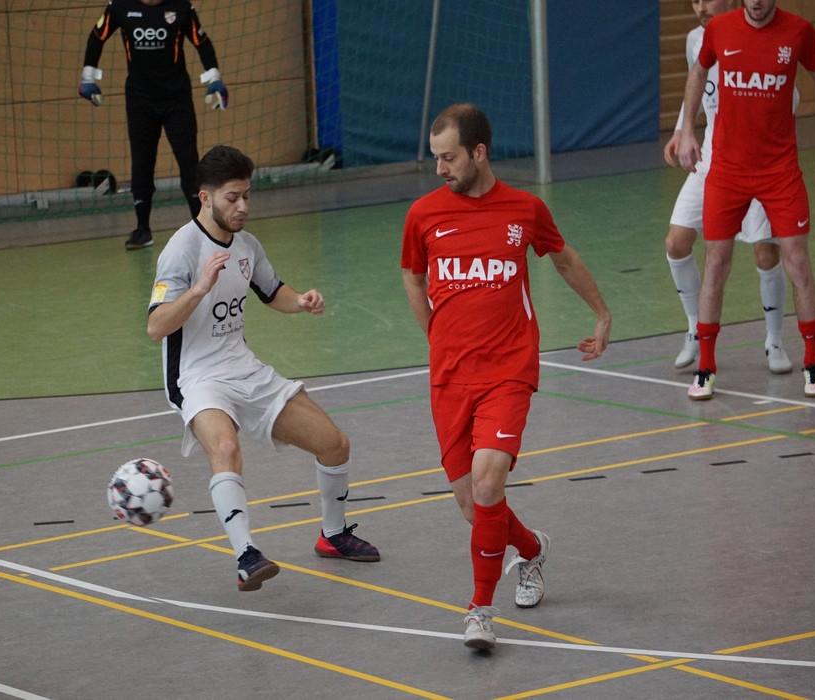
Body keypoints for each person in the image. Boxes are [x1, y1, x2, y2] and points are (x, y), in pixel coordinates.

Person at [401, 104, 611, 651]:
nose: (440, 169)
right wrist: (435, 335)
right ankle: (532, 549)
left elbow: (563, 258)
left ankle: (479, 610)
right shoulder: (423, 214)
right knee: (473, 505)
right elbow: (412, 275)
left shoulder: (524, 209)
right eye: (435, 158)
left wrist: (601, 314)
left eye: (449, 158)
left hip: (509, 369)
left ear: (479, 153)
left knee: (489, 483)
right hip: (449, 375)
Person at [146, 145, 379, 592]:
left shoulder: (247, 246)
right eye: (232, 198)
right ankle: (246, 555)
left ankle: (333, 535)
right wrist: (198, 289)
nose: (243, 207)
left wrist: (301, 301)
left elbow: (272, 292)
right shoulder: (181, 251)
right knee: (226, 449)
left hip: (243, 369)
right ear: (205, 198)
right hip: (196, 377)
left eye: (247, 196)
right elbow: (157, 327)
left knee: (335, 444)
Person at [677, 0, 815, 400]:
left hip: (780, 170)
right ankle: (705, 367)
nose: (757, 2)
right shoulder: (719, 29)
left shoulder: (799, 31)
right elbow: (698, 72)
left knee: (796, 260)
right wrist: (687, 130)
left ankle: (813, 364)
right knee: (716, 262)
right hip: (727, 170)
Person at [664, 0, 796, 375]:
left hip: (758, 162)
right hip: (711, 160)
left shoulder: (763, 37)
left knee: (766, 254)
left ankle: (774, 340)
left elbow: (790, 96)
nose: (700, 8)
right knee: (676, 242)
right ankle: (695, 327)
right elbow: (696, 84)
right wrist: (682, 130)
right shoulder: (696, 39)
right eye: (694, 1)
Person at [78, 0, 230, 251]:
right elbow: (97, 36)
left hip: (177, 99)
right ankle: (142, 229)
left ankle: (203, 228)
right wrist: (87, 78)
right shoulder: (119, 6)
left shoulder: (181, 7)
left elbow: (201, 42)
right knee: (141, 163)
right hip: (140, 100)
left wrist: (215, 78)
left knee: (189, 161)